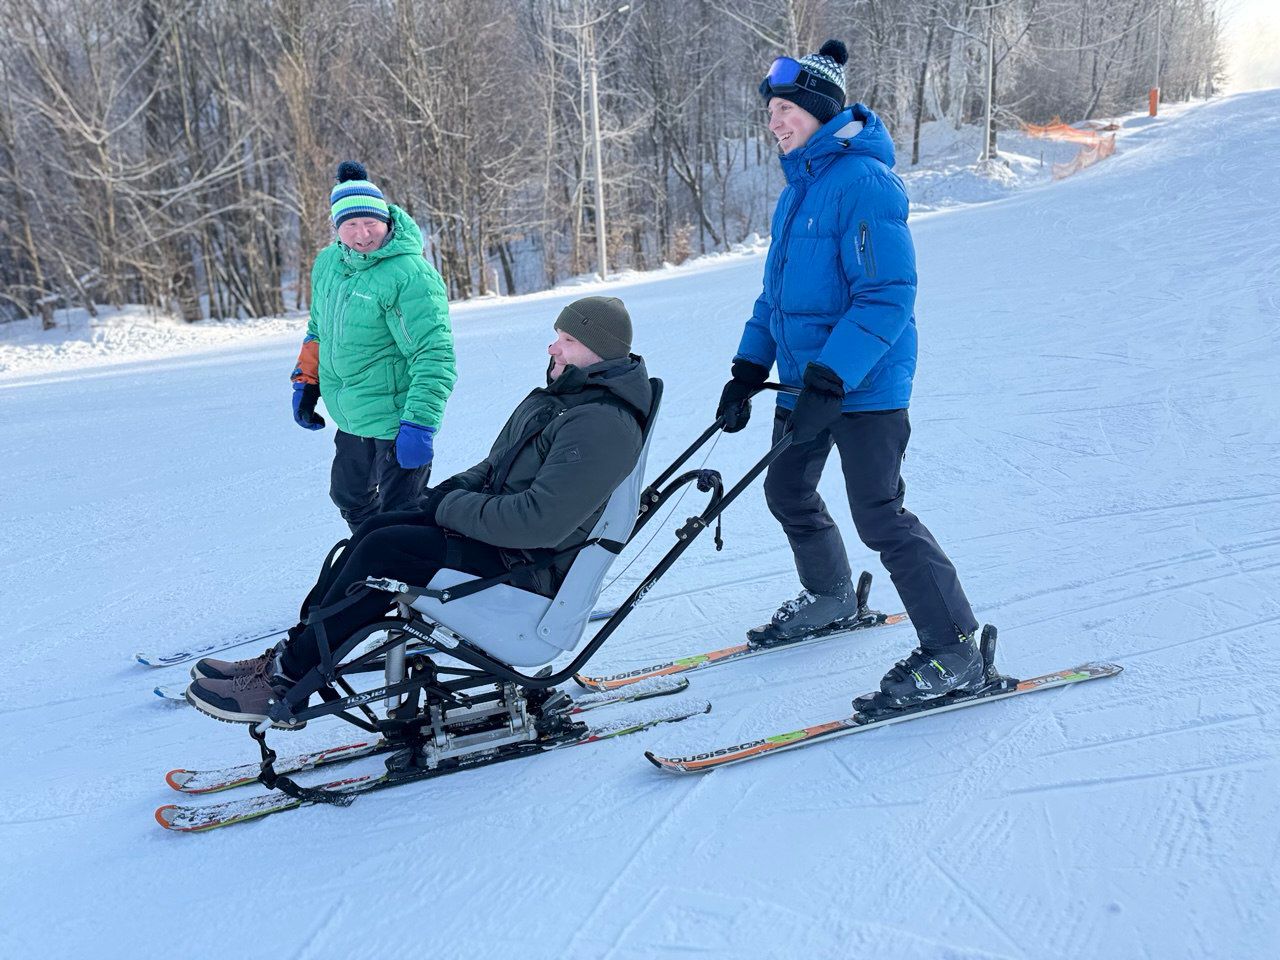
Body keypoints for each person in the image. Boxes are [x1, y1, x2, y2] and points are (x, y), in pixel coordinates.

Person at [189, 296, 648, 725]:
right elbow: (495, 467)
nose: (554, 347)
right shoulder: (569, 399)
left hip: (527, 569)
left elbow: (539, 521)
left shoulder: (601, 423)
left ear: (599, 351)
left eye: (568, 340)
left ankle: (286, 681)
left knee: (387, 552)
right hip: (504, 543)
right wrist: (442, 496)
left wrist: (449, 507)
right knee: (376, 529)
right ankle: (293, 653)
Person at [715, 39, 983, 706]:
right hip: (811, 383)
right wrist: (750, 366)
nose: (775, 122)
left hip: (864, 385)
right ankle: (832, 596)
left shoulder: (865, 182)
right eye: (769, 112)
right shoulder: (799, 190)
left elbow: (887, 295)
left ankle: (955, 652)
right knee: (788, 490)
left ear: (818, 110)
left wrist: (833, 376)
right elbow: (776, 296)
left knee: (880, 515)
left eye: (785, 109)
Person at [291, 160, 456, 533]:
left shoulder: (411, 275)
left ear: (387, 220)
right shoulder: (329, 263)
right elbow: (319, 328)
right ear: (336, 228)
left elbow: (434, 355)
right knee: (350, 497)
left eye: (371, 224)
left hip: (398, 418)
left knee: (403, 511)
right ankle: (378, 556)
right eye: (351, 225)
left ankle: (413, 572)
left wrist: (419, 423)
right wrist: (306, 381)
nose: (363, 235)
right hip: (352, 415)